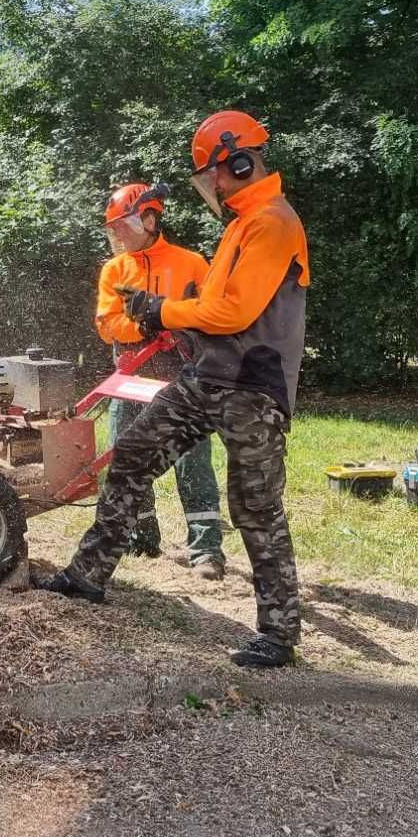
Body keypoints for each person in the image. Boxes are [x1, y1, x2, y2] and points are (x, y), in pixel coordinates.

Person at [37, 111, 310, 669]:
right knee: (133, 457)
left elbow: (233, 310)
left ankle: (279, 634)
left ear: (237, 161)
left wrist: (164, 308)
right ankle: (88, 575)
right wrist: (164, 318)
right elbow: (209, 312)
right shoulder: (240, 223)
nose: (211, 187)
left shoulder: (272, 223)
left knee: (255, 506)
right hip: (207, 375)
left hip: (254, 386)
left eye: (213, 175)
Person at [92, 181, 226, 579]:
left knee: (191, 458)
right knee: (124, 454)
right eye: (114, 230)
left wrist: (178, 319)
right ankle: (141, 534)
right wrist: (144, 328)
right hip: (131, 375)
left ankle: (205, 550)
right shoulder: (115, 270)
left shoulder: (191, 263)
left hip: (182, 375)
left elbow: (212, 314)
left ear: (149, 218)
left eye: (124, 227)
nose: (119, 236)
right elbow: (106, 324)